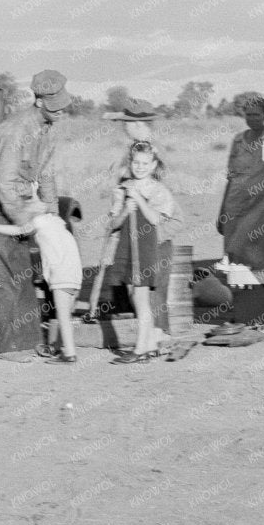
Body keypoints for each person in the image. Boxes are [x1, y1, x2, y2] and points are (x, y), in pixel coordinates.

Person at [0, 69, 80, 361]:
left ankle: (24, 342)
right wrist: (27, 221)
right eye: (55, 105)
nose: (61, 111)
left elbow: (46, 173)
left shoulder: (48, 128)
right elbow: (2, 182)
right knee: (2, 275)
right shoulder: (16, 129)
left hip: (20, 203)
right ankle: (4, 348)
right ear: (39, 101)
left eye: (62, 104)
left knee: (21, 274)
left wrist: (53, 214)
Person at [109, 140, 180, 361]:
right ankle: (148, 344)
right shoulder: (122, 188)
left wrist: (139, 199)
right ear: (130, 163)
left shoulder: (158, 190)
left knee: (141, 297)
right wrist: (124, 210)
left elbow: (155, 219)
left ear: (153, 165)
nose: (140, 167)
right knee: (133, 294)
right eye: (136, 163)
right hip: (126, 247)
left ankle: (140, 350)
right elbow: (113, 224)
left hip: (145, 247)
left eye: (145, 163)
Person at [216, 92, 264, 270]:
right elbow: (230, 176)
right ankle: (233, 269)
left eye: (256, 114)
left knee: (253, 242)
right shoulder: (238, 140)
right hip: (235, 198)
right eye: (248, 115)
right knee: (232, 237)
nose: (252, 119)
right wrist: (223, 209)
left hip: (260, 199)